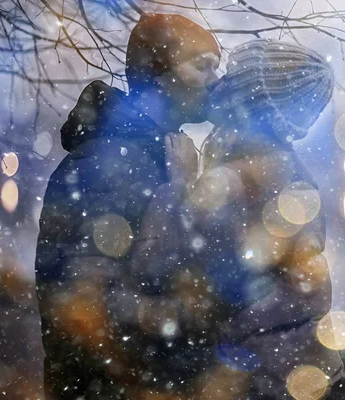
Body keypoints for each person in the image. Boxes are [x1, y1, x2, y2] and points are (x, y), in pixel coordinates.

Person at [134, 39, 345, 399]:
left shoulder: (240, 179)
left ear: (250, 99)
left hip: (267, 382)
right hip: (302, 374)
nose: (218, 82)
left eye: (233, 75)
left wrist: (179, 186)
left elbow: (160, 267)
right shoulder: (282, 170)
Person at [34, 13, 220, 399]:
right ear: (158, 73)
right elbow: (85, 305)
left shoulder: (153, 157)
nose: (214, 81)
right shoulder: (110, 166)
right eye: (202, 66)